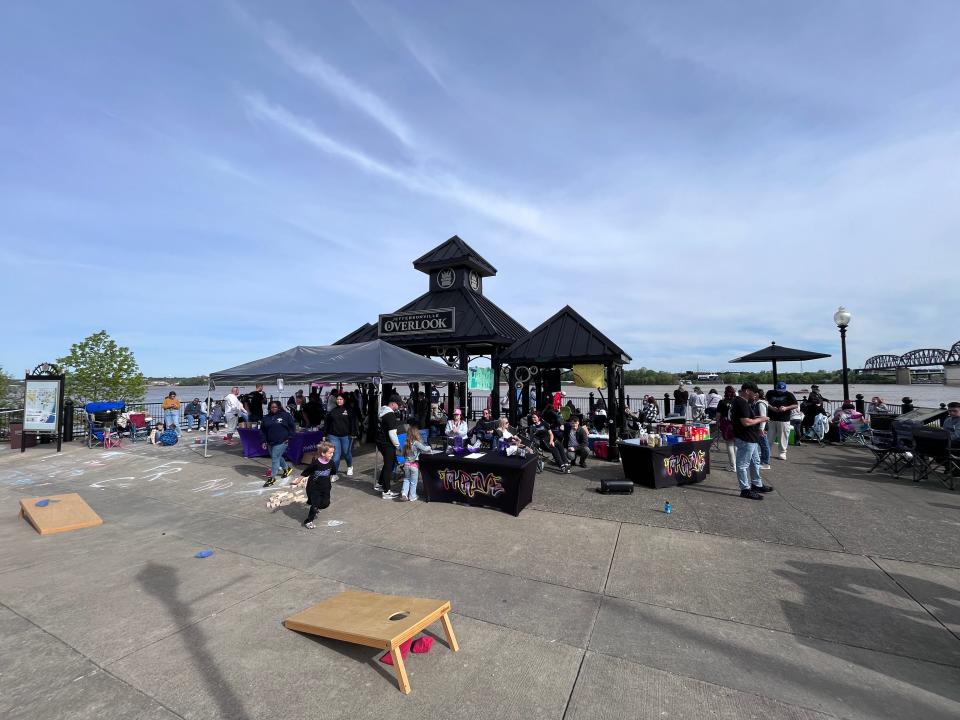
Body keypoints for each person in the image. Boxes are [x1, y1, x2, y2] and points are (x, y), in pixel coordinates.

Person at [731, 382, 772, 500]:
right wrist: (762, 419)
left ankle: (757, 484)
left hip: (751, 438)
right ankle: (745, 489)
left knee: (755, 461)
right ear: (747, 391)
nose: (756, 395)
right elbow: (746, 422)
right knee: (743, 465)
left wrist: (759, 419)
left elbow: (749, 418)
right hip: (746, 438)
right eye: (754, 393)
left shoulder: (743, 402)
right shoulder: (741, 402)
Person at [300, 441, 334, 529]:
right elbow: (306, 472)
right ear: (323, 453)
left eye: (333, 452)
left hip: (326, 487)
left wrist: (329, 484)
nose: (332, 454)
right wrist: (298, 480)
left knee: (326, 503)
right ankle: (308, 521)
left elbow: (332, 473)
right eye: (330, 453)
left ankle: (316, 507)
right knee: (315, 504)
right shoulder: (316, 463)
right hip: (315, 487)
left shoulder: (331, 463)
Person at [261, 400, 296, 487]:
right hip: (270, 442)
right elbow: (263, 431)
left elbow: (292, 427)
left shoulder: (285, 415)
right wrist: (263, 441)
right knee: (276, 457)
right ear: (269, 408)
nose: (274, 409)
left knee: (275, 458)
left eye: (276, 407)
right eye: (272, 407)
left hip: (282, 441)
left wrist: (289, 437)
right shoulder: (266, 418)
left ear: (279, 407)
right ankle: (287, 469)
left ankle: (272, 478)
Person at [376, 395, 403, 499]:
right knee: (389, 466)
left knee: (388, 464)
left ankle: (380, 484)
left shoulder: (381, 412)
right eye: (398, 404)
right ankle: (386, 491)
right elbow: (392, 433)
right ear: (393, 403)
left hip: (380, 441)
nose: (399, 406)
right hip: (387, 444)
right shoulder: (390, 415)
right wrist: (397, 446)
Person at [765, 381, 799, 461]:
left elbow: (795, 405)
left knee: (783, 437)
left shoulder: (789, 394)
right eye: (779, 390)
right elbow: (765, 402)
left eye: (782, 390)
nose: (780, 392)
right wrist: (772, 408)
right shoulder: (770, 393)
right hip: (771, 418)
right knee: (769, 436)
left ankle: (782, 452)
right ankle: (767, 452)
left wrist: (786, 408)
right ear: (776, 388)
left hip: (784, 419)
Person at [325, 392, 356, 479]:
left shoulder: (349, 410)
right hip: (333, 436)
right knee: (336, 455)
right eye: (338, 399)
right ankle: (334, 474)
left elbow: (353, 423)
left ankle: (350, 466)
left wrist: (353, 433)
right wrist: (325, 434)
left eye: (341, 399)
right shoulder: (332, 411)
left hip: (346, 436)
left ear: (344, 400)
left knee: (346, 453)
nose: (339, 401)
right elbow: (327, 423)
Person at [400, 422, 433, 501]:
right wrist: (429, 447)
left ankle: (404, 493)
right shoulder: (416, 443)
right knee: (413, 482)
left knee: (406, 479)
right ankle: (412, 496)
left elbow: (403, 453)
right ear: (415, 434)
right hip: (414, 465)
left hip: (406, 464)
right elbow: (424, 449)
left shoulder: (405, 443)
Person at [715, 386, 737, 471]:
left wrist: (717, 422)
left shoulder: (722, 402)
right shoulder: (737, 401)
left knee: (729, 444)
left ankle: (733, 465)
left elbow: (718, 415)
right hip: (737, 424)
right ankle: (737, 465)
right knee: (736, 444)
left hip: (726, 424)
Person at [754, 389, 771, 470]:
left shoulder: (760, 403)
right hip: (760, 426)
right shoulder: (758, 403)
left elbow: (763, 416)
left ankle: (765, 463)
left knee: (764, 444)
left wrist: (761, 428)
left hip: (761, 427)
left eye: (755, 393)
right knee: (762, 444)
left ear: (758, 394)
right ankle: (763, 460)